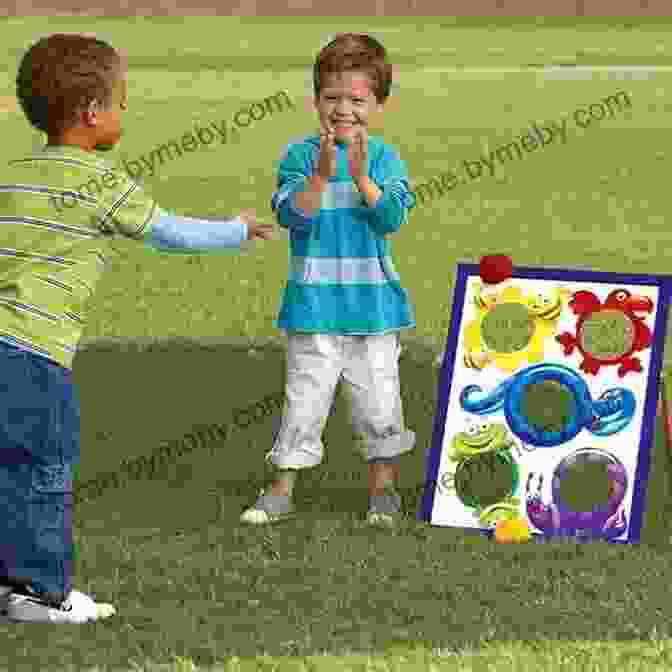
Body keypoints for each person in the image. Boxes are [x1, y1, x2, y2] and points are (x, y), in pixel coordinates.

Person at [0, 33, 273, 624]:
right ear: (93, 113)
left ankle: (10, 582)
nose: (125, 112)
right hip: (35, 354)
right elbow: (168, 231)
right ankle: (42, 593)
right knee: (47, 467)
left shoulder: (13, 177)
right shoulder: (100, 182)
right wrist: (236, 230)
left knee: (6, 464)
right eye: (122, 102)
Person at [240, 33, 416, 528]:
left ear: (378, 105)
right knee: (305, 401)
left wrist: (362, 179)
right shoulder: (298, 156)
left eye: (357, 100)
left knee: (380, 402)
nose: (343, 109)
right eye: (332, 97)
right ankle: (281, 487)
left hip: (375, 309)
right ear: (316, 99)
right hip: (313, 307)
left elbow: (391, 219)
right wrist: (319, 177)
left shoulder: (385, 159)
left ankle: (383, 490)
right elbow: (297, 218)